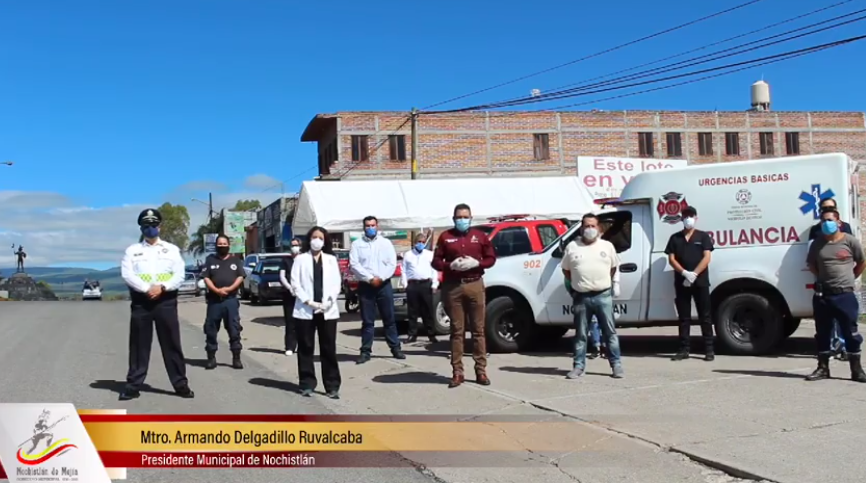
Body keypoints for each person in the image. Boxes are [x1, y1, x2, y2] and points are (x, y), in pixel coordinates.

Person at [118, 208, 193, 401]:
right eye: (146, 226)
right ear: (141, 228)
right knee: (138, 346)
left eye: (153, 225)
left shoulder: (171, 250)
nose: (150, 229)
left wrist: (163, 287)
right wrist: (146, 289)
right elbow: (128, 274)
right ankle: (133, 384)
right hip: (141, 303)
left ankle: (180, 384)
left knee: (171, 344)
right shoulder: (133, 251)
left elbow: (179, 275)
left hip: (166, 301)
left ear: (160, 226)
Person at [432, 203, 497, 388]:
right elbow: (436, 261)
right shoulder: (446, 237)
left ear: (470, 218)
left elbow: (491, 258)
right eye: (459, 217)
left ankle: (481, 371)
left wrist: (477, 263)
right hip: (453, 287)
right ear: (454, 219)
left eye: (465, 217)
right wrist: (449, 266)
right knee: (456, 331)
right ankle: (457, 372)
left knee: (478, 330)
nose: (462, 220)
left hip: (474, 283)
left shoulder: (480, 236)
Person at [805, 208, 866, 383]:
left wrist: (850, 277)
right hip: (823, 296)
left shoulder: (850, 241)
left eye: (830, 220)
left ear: (839, 223)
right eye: (823, 220)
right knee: (822, 333)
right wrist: (822, 279)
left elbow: (861, 261)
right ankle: (823, 368)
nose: (827, 223)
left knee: (851, 333)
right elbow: (810, 264)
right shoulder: (817, 243)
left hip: (844, 296)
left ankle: (856, 370)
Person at [562, 213, 623, 379]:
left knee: (609, 332)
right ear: (581, 228)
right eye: (586, 226)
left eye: (593, 226)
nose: (589, 229)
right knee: (581, 335)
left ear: (599, 228)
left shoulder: (607, 246)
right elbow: (566, 270)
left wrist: (607, 283)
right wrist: (577, 285)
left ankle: (616, 365)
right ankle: (578, 366)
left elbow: (613, 267)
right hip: (581, 297)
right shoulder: (572, 247)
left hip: (603, 295)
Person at [291, 226, 343, 398]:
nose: (317, 240)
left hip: (327, 310)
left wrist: (328, 302)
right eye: (314, 237)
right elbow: (295, 283)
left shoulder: (331, 259)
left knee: (328, 348)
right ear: (309, 239)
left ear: (325, 241)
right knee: (306, 347)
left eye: (320, 238)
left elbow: (336, 283)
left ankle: (332, 386)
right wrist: (309, 301)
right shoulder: (300, 259)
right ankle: (306, 383)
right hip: (305, 309)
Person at [349, 216, 405, 364]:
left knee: (389, 319)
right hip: (366, 286)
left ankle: (395, 349)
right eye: (367, 226)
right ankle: (365, 351)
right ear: (363, 227)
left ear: (377, 226)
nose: (370, 228)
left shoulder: (385, 243)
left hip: (384, 285)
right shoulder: (357, 244)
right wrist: (369, 279)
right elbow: (354, 265)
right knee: (368, 322)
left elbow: (392, 263)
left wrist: (380, 278)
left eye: (373, 225)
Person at [665, 206, 715, 362]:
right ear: (681, 218)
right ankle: (684, 349)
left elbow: (707, 257)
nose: (688, 219)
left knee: (705, 316)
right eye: (685, 216)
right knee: (684, 318)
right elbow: (671, 259)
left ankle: (709, 350)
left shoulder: (703, 236)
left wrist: (694, 274)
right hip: (682, 282)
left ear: (696, 217)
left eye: (691, 216)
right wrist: (685, 273)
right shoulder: (675, 238)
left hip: (700, 282)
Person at [808, 199, 853, 361]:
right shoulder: (815, 230)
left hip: (843, 282)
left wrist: (849, 274)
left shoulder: (845, 228)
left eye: (831, 208)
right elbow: (811, 258)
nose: (827, 210)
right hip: (824, 282)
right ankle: (832, 348)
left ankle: (846, 348)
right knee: (827, 319)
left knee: (845, 318)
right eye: (824, 208)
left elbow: (854, 256)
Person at [200, 234, 246, 370]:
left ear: (228, 245)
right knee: (211, 329)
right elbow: (206, 278)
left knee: (234, 329)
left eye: (224, 244)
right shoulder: (210, 260)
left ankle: (236, 358)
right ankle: (211, 358)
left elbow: (240, 277)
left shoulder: (235, 260)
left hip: (230, 300)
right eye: (219, 244)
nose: (222, 246)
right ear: (216, 245)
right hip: (214, 301)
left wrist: (229, 288)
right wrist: (216, 290)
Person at [401, 232, 440, 344]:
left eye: (423, 242)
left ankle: (431, 334)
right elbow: (404, 270)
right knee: (412, 311)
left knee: (427, 311)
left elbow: (434, 270)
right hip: (413, 285)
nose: (421, 244)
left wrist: (434, 284)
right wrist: (405, 284)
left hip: (426, 284)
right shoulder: (408, 255)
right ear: (414, 243)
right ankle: (412, 334)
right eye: (419, 242)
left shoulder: (429, 254)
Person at [279, 237, 303, 355]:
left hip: (302, 295)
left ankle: (302, 346)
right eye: (292, 245)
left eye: (296, 245)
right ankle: (290, 346)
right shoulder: (286, 260)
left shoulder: (305, 259)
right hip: (289, 294)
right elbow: (282, 276)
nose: (294, 247)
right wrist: (289, 288)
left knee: (303, 322)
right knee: (290, 321)